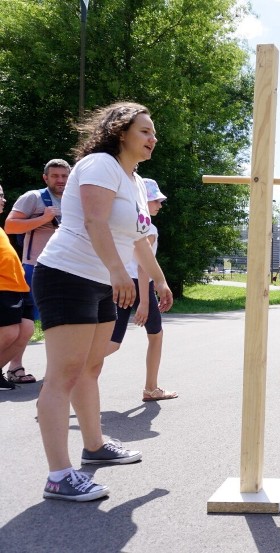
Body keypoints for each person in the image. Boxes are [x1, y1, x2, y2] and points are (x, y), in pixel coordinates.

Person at [32, 101, 173, 502]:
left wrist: (159, 281)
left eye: (153, 132)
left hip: (100, 279)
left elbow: (139, 238)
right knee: (65, 371)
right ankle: (59, 475)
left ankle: (94, 448)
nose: (153, 138)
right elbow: (94, 222)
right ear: (120, 131)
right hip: (67, 275)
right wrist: (117, 272)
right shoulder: (99, 164)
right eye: (145, 131)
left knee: (90, 367)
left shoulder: (134, 180)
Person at [104, 178, 176, 402]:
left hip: (117, 282)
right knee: (156, 335)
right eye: (156, 200)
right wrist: (144, 303)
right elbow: (144, 268)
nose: (159, 205)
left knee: (113, 342)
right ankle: (151, 389)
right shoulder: (148, 228)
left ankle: (62, 377)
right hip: (137, 285)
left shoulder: (121, 223)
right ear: (143, 200)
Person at [3, 159, 70, 383]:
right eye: (55, 176)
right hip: (35, 267)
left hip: (67, 269)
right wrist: (43, 219)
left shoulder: (74, 200)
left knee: (64, 321)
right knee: (26, 321)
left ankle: (61, 368)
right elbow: (10, 225)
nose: (60, 180)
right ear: (46, 178)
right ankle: (16, 368)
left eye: (64, 176)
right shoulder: (34, 197)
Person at [0, 182, 32, 392]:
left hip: (19, 287)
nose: (3, 199)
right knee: (10, 332)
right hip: (3, 287)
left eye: (3, 194)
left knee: (27, 329)